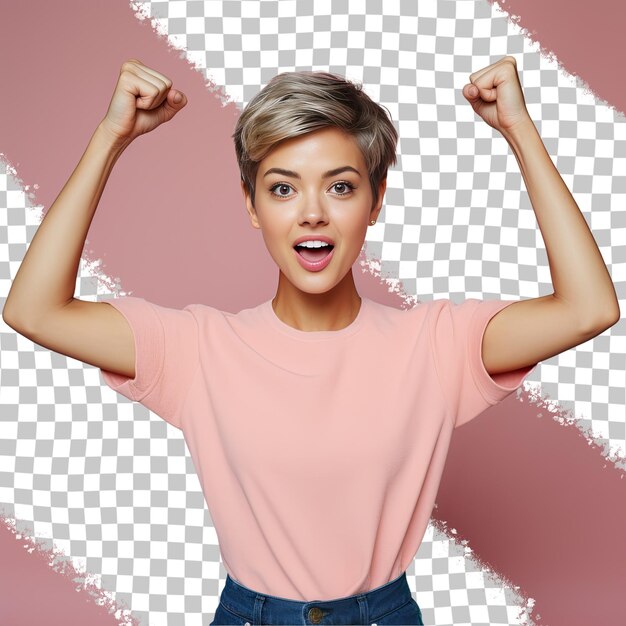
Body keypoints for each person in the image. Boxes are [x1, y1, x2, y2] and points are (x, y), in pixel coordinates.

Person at [3, 56, 619, 626]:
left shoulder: (436, 344)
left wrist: (519, 128)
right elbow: (34, 310)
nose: (312, 213)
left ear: (375, 201)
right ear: (251, 205)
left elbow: (588, 308)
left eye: (342, 186)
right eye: (282, 187)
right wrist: (112, 137)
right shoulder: (197, 349)